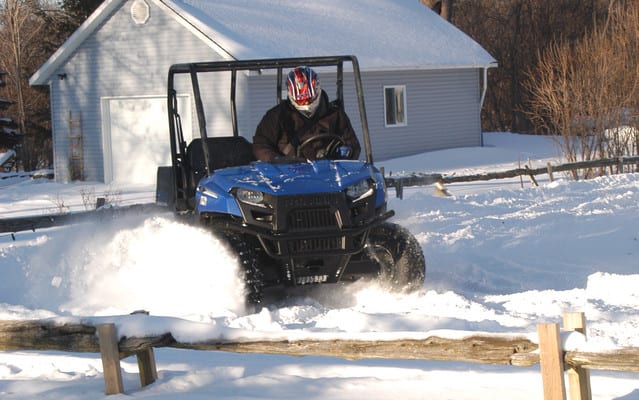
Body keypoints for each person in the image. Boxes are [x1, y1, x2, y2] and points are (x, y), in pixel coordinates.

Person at [253, 66, 361, 162]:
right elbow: (261, 144)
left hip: (328, 172)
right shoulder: (277, 116)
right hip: (290, 174)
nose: (307, 106)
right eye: (301, 101)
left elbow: (352, 143)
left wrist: (347, 151)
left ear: (318, 90)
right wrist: (277, 159)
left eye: (310, 100)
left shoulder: (335, 115)